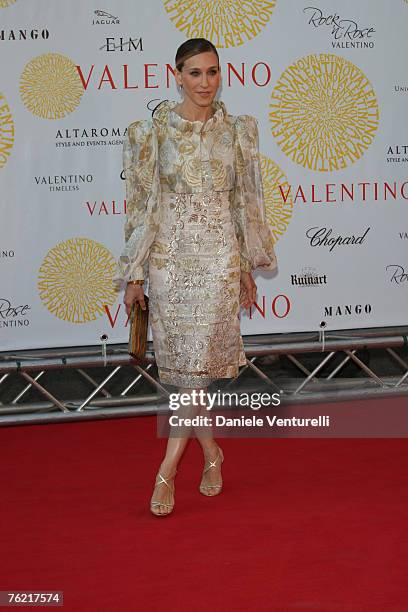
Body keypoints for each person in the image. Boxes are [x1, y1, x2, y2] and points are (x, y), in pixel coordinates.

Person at [114, 38, 277, 516]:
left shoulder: (240, 130)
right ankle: (210, 453)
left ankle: (166, 472)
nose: (205, 83)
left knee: (193, 376)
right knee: (189, 376)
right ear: (177, 73)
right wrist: (134, 274)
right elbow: (140, 207)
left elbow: (246, 201)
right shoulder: (151, 132)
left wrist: (247, 263)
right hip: (169, 259)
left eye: (212, 72)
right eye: (195, 73)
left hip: (219, 261)